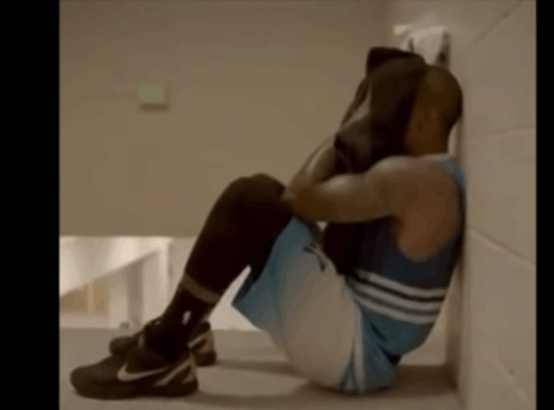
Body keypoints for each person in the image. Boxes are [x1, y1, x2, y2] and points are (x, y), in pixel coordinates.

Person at [69, 48, 465, 399]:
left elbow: (301, 196)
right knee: (267, 200)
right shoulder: (432, 177)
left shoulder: (416, 180)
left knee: (250, 197)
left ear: (425, 118)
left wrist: (351, 128)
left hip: (357, 354)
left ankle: (162, 354)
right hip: (363, 345)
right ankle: (186, 330)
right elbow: (296, 204)